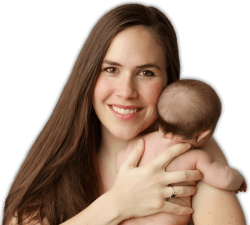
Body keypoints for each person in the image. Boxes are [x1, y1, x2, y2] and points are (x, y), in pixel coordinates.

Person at [3, 3, 247, 225]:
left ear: (169, 82)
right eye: (111, 69)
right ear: (87, 78)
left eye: (146, 73)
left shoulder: (193, 149)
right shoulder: (53, 167)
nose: (126, 91)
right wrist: (118, 204)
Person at [115, 79, 247, 225]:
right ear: (202, 135)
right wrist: (238, 179)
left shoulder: (140, 143)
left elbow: (121, 166)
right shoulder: (196, 157)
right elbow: (224, 179)